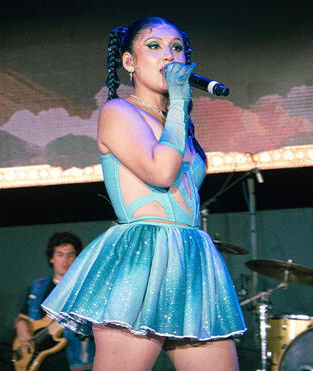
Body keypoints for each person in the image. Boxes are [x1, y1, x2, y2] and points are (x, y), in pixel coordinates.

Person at [41, 17, 247, 371]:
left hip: (191, 256)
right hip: (140, 256)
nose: (168, 55)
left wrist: (177, 110)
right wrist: (180, 103)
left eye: (176, 47)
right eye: (154, 46)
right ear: (129, 62)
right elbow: (160, 172)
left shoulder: (177, 124)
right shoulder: (118, 111)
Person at [14, 232, 95, 371]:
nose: (65, 260)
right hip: (40, 362)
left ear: (77, 258)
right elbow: (22, 318)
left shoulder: (86, 288)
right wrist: (22, 329)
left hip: (74, 361)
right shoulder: (38, 287)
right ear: (51, 258)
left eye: (71, 255)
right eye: (60, 254)